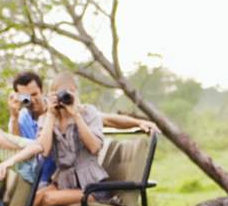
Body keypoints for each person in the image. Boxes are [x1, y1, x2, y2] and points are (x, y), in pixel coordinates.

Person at [8, 71, 156, 187]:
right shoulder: (22, 118)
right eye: (25, 97)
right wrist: (13, 117)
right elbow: (17, 145)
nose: (32, 100)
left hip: (61, 176)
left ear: (43, 91)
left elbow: (105, 119)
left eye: (35, 94)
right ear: (18, 96)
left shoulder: (62, 106)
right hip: (38, 177)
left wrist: (138, 122)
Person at [31, 72, 114, 206]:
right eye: (60, 93)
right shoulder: (47, 118)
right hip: (64, 183)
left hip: (92, 187)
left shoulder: (88, 113)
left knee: (48, 199)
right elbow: (44, 151)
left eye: (69, 92)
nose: (65, 96)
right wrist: (50, 115)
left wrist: (75, 115)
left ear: (76, 92)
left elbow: (94, 147)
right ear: (51, 95)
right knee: (35, 199)